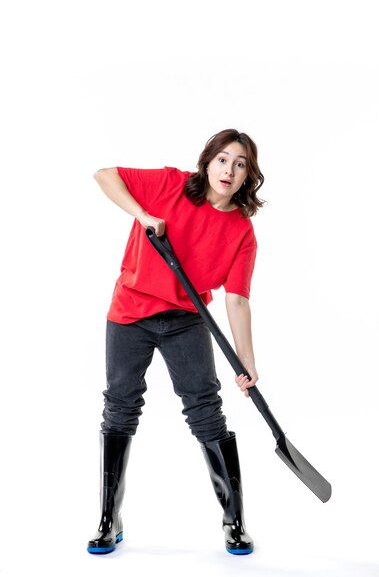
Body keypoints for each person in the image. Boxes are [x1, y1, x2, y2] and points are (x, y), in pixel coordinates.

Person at [87, 128, 265, 556]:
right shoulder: (169, 183)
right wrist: (142, 215)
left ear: (247, 177)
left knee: (206, 411)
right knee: (120, 407)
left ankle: (234, 520)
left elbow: (238, 300)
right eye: (223, 159)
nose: (229, 169)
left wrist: (246, 362)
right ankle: (109, 519)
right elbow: (104, 174)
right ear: (207, 162)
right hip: (130, 312)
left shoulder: (241, 232)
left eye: (240, 164)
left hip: (186, 321)